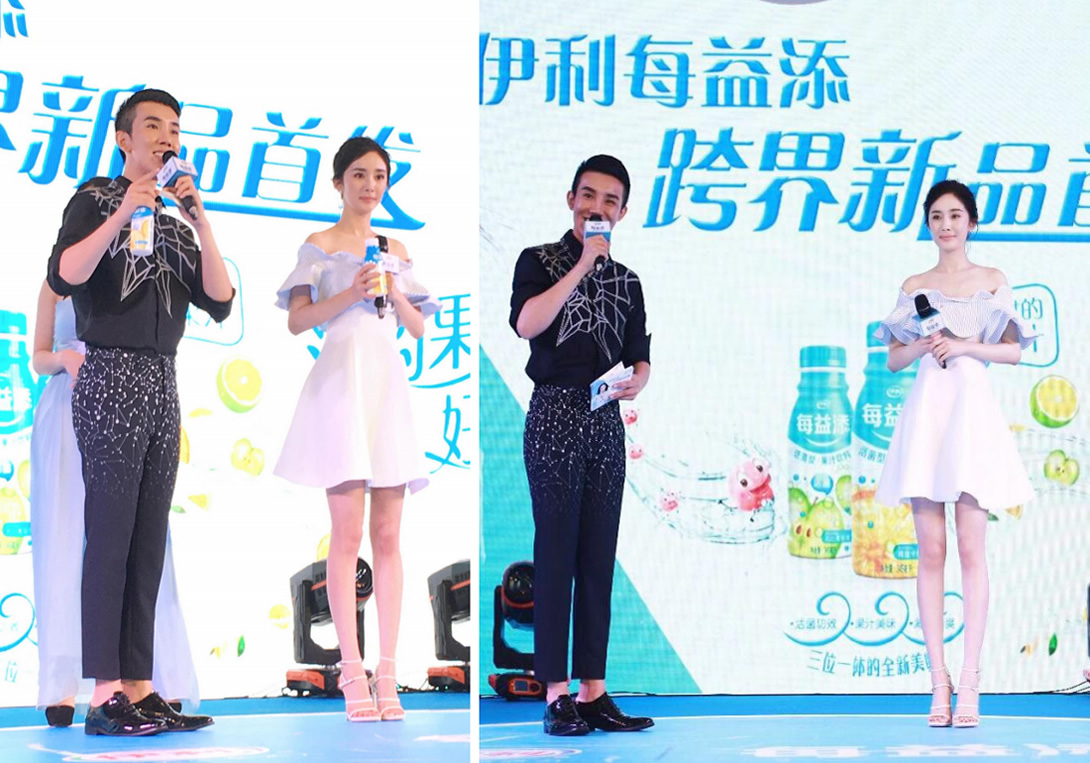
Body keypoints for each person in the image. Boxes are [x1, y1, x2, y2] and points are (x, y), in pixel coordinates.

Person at [47, 88, 233, 736]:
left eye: (174, 127)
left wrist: (200, 219)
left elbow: (220, 298)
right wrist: (126, 207)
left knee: (148, 540)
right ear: (124, 139)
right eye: (152, 125)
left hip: (161, 381)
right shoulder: (96, 199)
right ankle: (104, 695)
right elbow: (65, 273)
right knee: (111, 536)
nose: (166, 136)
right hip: (110, 373)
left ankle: (141, 686)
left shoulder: (177, 225)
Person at [274, 136, 438, 722]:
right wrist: (349, 291)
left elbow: (418, 327)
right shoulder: (318, 245)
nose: (370, 186)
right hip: (342, 386)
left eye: (380, 176)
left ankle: (387, 672)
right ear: (338, 182)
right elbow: (298, 321)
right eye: (360, 175)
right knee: (346, 536)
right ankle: (351, 670)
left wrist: (392, 287)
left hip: (385, 388)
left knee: (389, 536)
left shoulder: (395, 248)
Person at [874, 179, 1038, 729]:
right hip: (929, 414)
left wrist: (965, 345)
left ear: (972, 223)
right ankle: (937, 681)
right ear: (928, 224)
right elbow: (894, 359)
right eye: (937, 217)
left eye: (955, 215)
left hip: (971, 414)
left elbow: (1014, 351)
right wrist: (924, 343)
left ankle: (970, 680)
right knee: (931, 551)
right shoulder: (914, 286)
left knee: (972, 548)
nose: (946, 225)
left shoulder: (991, 280)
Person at [509, 155, 653, 736]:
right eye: (589, 196)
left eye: (610, 201)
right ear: (571, 199)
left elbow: (639, 354)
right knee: (557, 555)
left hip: (604, 419)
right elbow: (527, 323)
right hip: (554, 415)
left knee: (597, 557)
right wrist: (582, 265)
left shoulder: (628, 281)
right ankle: (556, 694)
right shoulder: (538, 261)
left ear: (623, 212)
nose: (598, 208)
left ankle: (594, 690)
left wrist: (639, 379)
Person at [29, 275, 200, 728]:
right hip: (67, 412)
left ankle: (145, 679)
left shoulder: (128, 268)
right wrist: (64, 359)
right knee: (70, 541)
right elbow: (38, 356)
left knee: (139, 541)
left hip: (126, 407)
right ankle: (65, 685)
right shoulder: (57, 280)